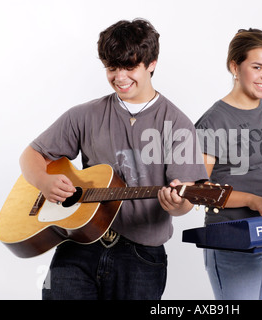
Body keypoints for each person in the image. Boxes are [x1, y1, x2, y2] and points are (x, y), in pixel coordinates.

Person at [19, 18, 208, 300]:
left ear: (152, 63)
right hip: (78, 243)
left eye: (130, 67)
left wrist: (179, 203)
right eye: (112, 68)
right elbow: (31, 154)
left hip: (140, 257)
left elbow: (186, 201)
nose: (120, 77)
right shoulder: (84, 115)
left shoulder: (178, 124)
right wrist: (43, 180)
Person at [195, 28, 262, 300]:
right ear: (235, 66)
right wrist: (251, 200)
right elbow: (200, 190)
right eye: (257, 67)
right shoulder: (213, 122)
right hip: (233, 238)